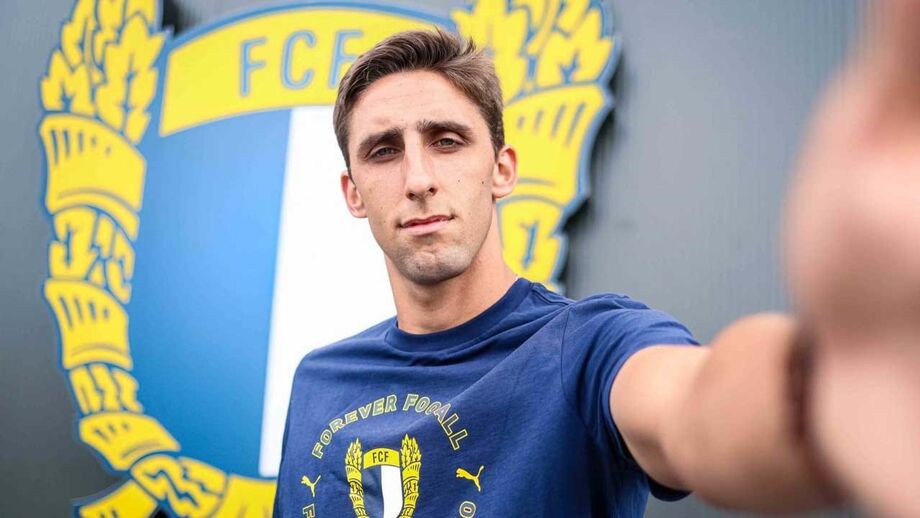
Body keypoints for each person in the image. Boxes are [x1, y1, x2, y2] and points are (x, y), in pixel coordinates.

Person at [274, 2, 920, 514]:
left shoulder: (590, 348)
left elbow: (694, 410)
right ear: (353, 193)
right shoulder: (321, 380)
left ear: (502, 170)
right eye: (384, 151)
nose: (418, 179)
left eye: (447, 141)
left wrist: (833, 376)